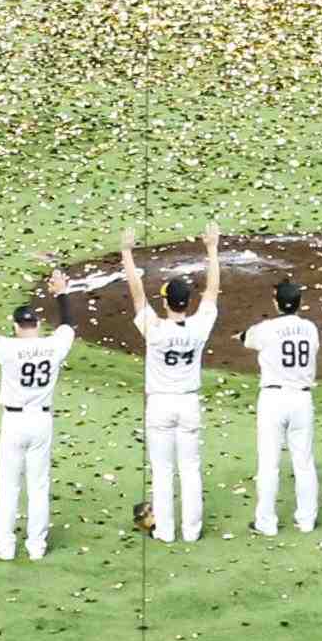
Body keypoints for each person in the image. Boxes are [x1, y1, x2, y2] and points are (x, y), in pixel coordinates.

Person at [0, 272, 76, 561]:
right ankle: (36, 547)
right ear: (37, 324)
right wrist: (61, 293)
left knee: (10, 486)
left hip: (14, 422)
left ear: (15, 327)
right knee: (39, 486)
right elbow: (67, 325)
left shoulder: (8, 347)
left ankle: (5, 546)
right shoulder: (53, 345)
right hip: (42, 421)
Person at [120, 223, 219, 542]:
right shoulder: (199, 327)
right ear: (186, 302)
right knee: (189, 469)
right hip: (188, 403)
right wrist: (212, 249)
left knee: (162, 472)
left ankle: (165, 532)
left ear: (166, 302)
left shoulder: (156, 329)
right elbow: (213, 291)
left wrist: (126, 252)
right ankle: (191, 532)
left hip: (161, 404)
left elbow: (136, 295)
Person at [242, 267, 322, 533]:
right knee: (304, 463)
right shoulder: (310, 329)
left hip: (274, 400)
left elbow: (246, 339)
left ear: (276, 303)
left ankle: (266, 522)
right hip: (302, 400)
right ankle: (307, 520)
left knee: (269, 464)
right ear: (300, 303)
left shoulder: (266, 329)